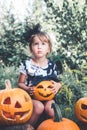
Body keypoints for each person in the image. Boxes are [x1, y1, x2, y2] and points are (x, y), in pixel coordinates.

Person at [18, 24, 61, 128]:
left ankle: (56, 126)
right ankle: (28, 127)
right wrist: (27, 89)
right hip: (32, 96)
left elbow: (57, 82)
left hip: (48, 96)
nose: (39, 47)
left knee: (51, 108)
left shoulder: (51, 65)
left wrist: (58, 86)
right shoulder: (27, 64)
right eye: (36, 44)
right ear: (31, 48)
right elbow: (20, 83)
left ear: (48, 49)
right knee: (38, 107)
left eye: (43, 44)